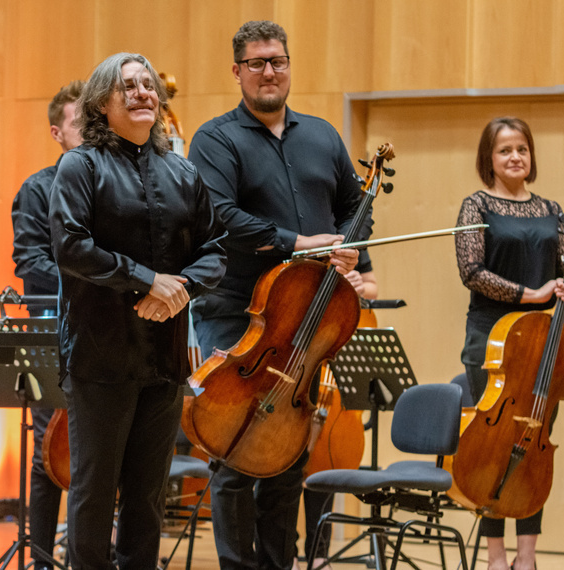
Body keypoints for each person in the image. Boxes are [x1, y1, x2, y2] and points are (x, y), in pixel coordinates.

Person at [188, 20, 368, 570]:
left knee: (289, 450)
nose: (270, 71)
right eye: (258, 62)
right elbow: (217, 214)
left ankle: (278, 564)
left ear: (289, 66)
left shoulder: (323, 137)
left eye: (278, 61)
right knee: (236, 449)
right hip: (237, 310)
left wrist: (354, 254)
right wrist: (297, 242)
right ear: (238, 71)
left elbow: (356, 208)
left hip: (306, 315)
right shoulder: (215, 139)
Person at [49, 52, 226, 569]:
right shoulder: (80, 165)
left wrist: (180, 288)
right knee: (94, 492)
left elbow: (216, 249)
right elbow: (71, 247)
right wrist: (148, 279)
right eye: (128, 86)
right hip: (100, 355)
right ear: (102, 103)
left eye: (148, 85)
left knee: (149, 498)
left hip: (165, 358)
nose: (143, 92)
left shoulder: (183, 171)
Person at [455, 116, 564, 570]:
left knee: (533, 443)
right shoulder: (476, 206)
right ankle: (495, 553)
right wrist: (531, 294)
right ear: (489, 158)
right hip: (491, 337)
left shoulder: (552, 210)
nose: (515, 157)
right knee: (491, 446)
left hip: (541, 342)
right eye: (505, 150)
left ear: (531, 155)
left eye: (522, 149)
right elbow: (472, 272)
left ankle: (527, 555)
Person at [11, 79, 84, 570]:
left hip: (112, 333)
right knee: (49, 446)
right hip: (54, 329)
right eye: (82, 123)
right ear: (57, 132)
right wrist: (96, 273)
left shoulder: (118, 181)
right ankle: (40, 559)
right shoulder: (39, 188)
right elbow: (29, 262)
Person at [301, 262, 377, 567]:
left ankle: (318, 553)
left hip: (334, 389)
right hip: (301, 345)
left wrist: (359, 285)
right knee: (281, 472)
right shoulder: (304, 233)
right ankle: (283, 552)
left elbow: (372, 287)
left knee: (326, 462)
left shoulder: (353, 239)